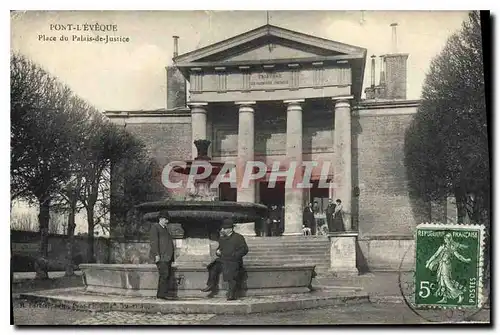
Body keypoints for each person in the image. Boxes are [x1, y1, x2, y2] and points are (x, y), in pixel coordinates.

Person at [201, 218, 249, 300]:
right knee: (213, 267)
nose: (222, 230)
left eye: (224, 228)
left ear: (230, 229)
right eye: (222, 228)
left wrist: (235, 256)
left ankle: (231, 293)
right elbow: (219, 249)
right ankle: (211, 284)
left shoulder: (238, 237)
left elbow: (244, 249)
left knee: (231, 273)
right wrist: (217, 252)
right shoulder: (222, 238)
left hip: (234, 261)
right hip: (223, 259)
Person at [425, 233, 471, 304]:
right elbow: (435, 255)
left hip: (446, 266)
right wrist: (428, 263)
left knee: (447, 282)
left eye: (447, 238)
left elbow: (458, 256)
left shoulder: (452, 248)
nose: (445, 240)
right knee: (442, 282)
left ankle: (460, 294)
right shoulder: (442, 247)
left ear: (450, 240)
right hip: (441, 265)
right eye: (445, 238)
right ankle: (444, 298)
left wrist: (466, 260)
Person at [149, 210, 175, 300]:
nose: (167, 221)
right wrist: (156, 255)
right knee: (164, 274)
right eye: (165, 219)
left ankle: (163, 294)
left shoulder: (165, 229)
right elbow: (153, 242)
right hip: (161, 257)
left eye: (167, 219)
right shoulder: (155, 227)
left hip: (167, 257)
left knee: (166, 275)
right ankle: (160, 295)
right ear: (160, 219)